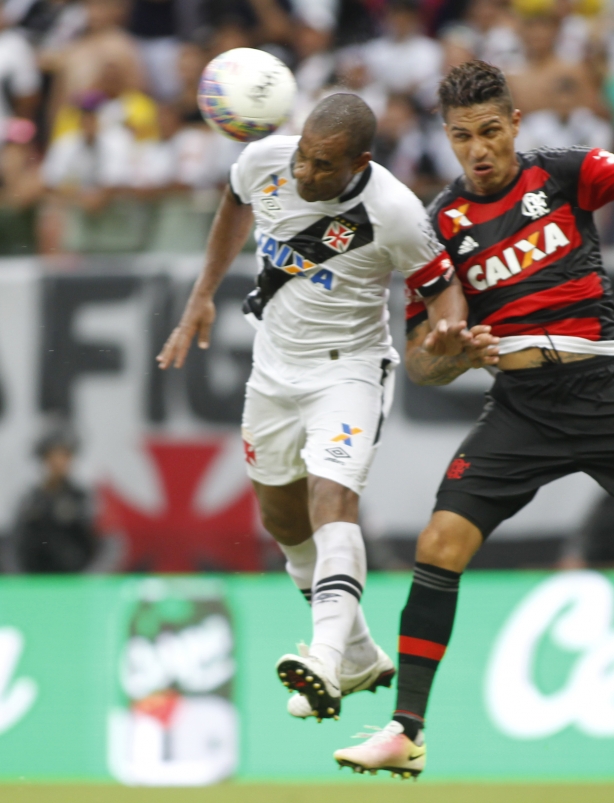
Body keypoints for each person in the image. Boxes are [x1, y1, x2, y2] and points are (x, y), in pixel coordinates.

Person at [333, 60, 614, 778]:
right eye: (461, 137)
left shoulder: (560, 175)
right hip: (524, 407)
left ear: (515, 123)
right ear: (447, 138)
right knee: (440, 541)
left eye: (490, 131)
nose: (478, 149)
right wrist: (450, 353)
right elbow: (422, 361)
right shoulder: (440, 225)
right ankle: (405, 728)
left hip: (611, 390)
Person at [157, 93, 480, 724]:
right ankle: (359, 653)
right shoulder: (265, 160)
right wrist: (202, 294)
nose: (305, 174)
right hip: (272, 371)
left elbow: (446, 294)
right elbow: (233, 201)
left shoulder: (394, 211)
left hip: (348, 372)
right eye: (304, 157)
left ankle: (328, 658)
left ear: (359, 161)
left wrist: (448, 335)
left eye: (323, 166)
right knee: (283, 523)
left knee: (331, 501)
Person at [12, 427, 98, 574]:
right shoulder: (30, 500)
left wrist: (91, 575)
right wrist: (17, 576)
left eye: (65, 455)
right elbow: (13, 544)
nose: (58, 462)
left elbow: (106, 543)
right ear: (43, 458)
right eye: (52, 455)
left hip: (75, 582)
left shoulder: (82, 498)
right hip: (34, 583)